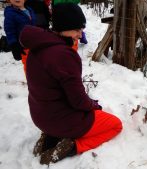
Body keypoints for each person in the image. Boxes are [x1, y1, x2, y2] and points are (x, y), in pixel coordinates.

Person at [19, 3, 122, 165]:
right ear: (64, 28)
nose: (80, 35)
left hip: (40, 116)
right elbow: (78, 101)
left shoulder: (36, 47)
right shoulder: (63, 55)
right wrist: (94, 105)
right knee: (115, 125)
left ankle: (51, 135)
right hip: (60, 120)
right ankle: (71, 147)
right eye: (77, 30)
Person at [4, 0, 35, 72]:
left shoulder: (30, 10)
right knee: (29, 67)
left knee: (37, 64)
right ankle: (31, 81)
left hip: (34, 44)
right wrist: (14, 45)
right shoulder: (10, 13)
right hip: (23, 47)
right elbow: (9, 31)